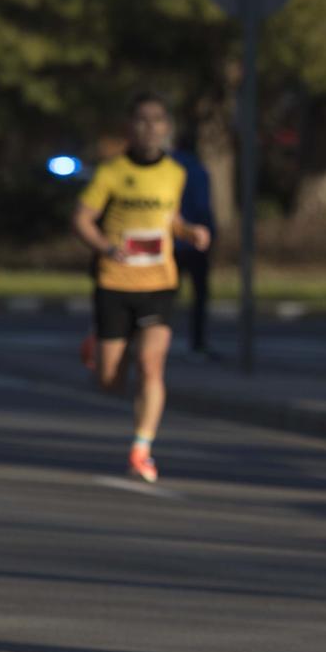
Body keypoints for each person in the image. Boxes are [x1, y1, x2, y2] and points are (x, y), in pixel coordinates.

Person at [72, 93, 208, 482]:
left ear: (167, 128)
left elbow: (170, 218)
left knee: (151, 366)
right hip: (115, 282)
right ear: (129, 127)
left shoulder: (175, 172)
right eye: (143, 120)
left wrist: (189, 231)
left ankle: (142, 448)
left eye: (158, 120)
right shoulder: (111, 173)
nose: (151, 128)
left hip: (159, 282)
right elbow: (82, 219)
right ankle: (99, 341)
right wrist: (104, 247)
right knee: (110, 381)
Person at [171, 143, 217, 357]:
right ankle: (198, 341)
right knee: (199, 296)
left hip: (169, 243)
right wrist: (210, 235)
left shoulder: (166, 169)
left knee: (165, 297)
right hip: (196, 242)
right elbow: (203, 207)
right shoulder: (199, 171)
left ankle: (155, 339)